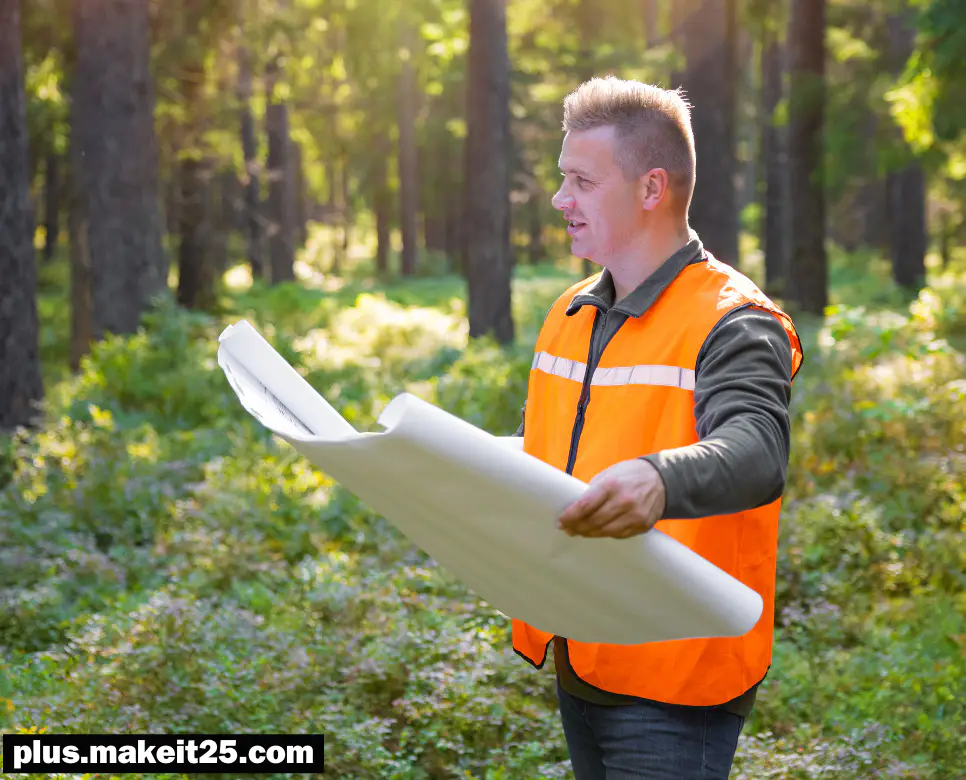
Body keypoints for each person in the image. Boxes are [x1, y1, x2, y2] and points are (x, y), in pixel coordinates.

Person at [509, 76, 804, 779]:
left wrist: (658, 478)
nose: (559, 200)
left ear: (651, 190)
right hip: (582, 649)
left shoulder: (735, 320)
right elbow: (553, 449)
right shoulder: (571, 312)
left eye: (580, 181)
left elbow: (756, 448)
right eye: (561, 179)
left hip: (676, 675)